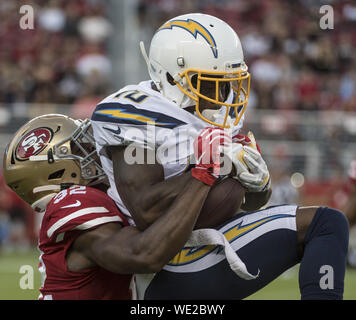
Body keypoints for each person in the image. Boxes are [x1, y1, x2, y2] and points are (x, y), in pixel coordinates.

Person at [90, 13, 349, 299]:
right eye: (212, 82)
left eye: (228, 81)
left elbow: (245, 202)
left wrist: (257, 184)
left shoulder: (212, 112)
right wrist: (213, 169)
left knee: (327, 224)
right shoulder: (137, 116)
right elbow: (146, 212)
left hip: (202, 242)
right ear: (171, 77)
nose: (223, 93)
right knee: (324, 224)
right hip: (161, 264)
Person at [3, 113, 216, 300]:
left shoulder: (99, 197)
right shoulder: (73, 201)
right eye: (81, 147)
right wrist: (204, 174)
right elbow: (142, 255)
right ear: (56, 172)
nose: (94, 149)